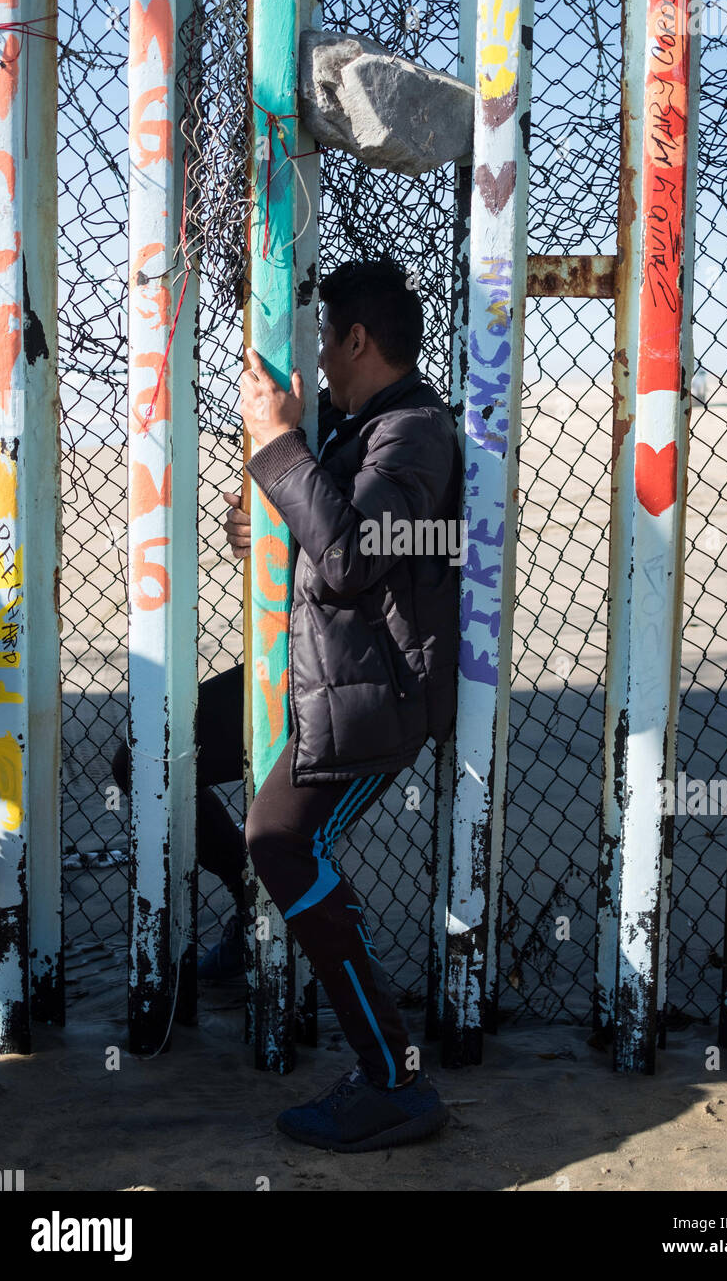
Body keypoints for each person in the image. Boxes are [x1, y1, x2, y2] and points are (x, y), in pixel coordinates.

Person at [114, 257, 463, 1152]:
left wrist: (275, 446)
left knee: (284, 836)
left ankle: (393, 1077)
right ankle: (243, 901)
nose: (316, 359)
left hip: (370, 698)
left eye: (325, 339)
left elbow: (350, 558)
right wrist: (270, 518)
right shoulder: (360, 430)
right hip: (311, 677)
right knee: (151, 756)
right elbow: (326, 538)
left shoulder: (416, 430)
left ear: (356, 338)